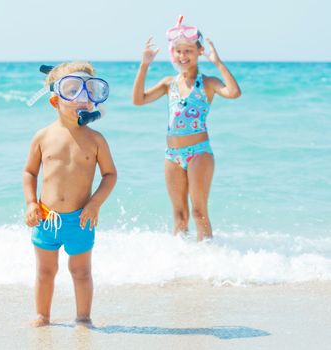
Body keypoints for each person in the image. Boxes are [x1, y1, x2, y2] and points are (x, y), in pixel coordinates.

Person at [23, 61, 117, 327]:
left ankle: (84, 317)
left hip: (81, 219)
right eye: (73, 91)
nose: (82, 99)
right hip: (46, 218)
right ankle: (42, 316)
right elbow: (29, 172)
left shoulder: (96, 139)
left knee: (81, 271)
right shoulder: (43, 137)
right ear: (55, 101)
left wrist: (96, 203)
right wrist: (31, 202)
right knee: (45, 271)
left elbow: (110, 174)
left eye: (89, 92)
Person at [133, 15, 241, 241]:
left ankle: (208, 262)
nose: (183, 56)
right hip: (172, 155)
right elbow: (139, 100)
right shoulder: (168, 83)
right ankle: (181, 267)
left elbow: (233, 92)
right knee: (179, 215)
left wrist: (218, 63)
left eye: (189, 51)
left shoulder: (208, 82)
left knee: (198, 212)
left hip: (199, 152)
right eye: (178, 51)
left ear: (199, 51)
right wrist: (144, 65)